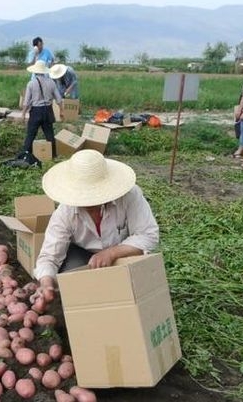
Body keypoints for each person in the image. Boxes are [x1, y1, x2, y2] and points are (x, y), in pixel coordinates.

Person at [33, 149, 160, 294]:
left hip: (124, 254)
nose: (89, 204)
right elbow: (49, 256)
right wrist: (46, 282)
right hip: (84, 256)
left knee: (138, 288)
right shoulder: (65, 213)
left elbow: (148, 235)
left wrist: (111, 253)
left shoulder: (129, 196)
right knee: (74, 287)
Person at [19, 60, 62, 160]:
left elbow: (26, 101)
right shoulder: (51, 82)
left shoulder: (31, 83)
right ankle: (53, 155)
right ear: (44, 71)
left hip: (36, 111)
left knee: (30, 134)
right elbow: (59, 99)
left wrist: (23, 113)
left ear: (35, 71)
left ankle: (25, 155)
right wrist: (62, 110)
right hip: (48, 110)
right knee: (49, 135)